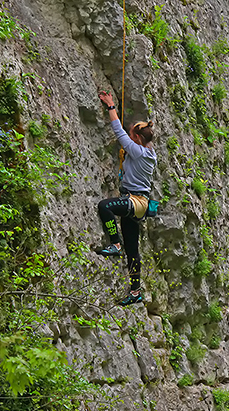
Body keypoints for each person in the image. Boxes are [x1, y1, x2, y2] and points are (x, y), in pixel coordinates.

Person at [96, 90, 157, 306]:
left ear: (138, 139)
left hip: (136, 201)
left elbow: (118, 132)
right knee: (133, 250)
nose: (130, 138)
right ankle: (135, 292)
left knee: (105, 207)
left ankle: (115, 244)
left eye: (133, 136)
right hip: (138, 203)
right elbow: (129, 138)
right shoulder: (147, 151)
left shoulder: (139, 151)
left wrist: (111, 106)